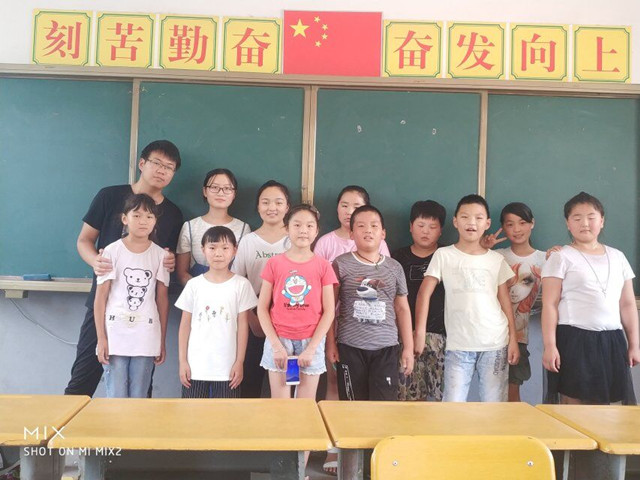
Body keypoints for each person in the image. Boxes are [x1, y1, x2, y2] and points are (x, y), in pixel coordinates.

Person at [65, 140, 183, 396]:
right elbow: (84, 240)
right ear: (141, 163)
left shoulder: (173, 213)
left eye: (169, 167)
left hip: (143, 317)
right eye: (157, 163)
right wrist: (95, 261)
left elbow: (167, 256)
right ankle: (69, 424)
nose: (162, 170)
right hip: (103, 304)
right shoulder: (109, 196)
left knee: (140, 389)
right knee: (82, 379)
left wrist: (171, 261)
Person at [314, 185, 389, 475]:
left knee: (367, 390)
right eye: (344, 205)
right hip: (335, 327)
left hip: (368, 331)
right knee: (335, 386)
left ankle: (368, 452)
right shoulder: (326, 243)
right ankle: (334, 450)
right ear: (336, 209)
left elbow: (382, 285)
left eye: (356, 206)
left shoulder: (377, 244)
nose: (349, 211)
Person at [257, 204, 337, 475]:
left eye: (309, 226)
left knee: (304, 409)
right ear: (287, 228)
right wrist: (277, 346)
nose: (303, 230)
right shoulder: (275, 264)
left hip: (310, 344)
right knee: (281, 409)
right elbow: (262, 308)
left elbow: (329, 311)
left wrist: (312, 349)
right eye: (297, 225)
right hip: (279, 342)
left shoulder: (323, 266)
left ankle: (299, 471)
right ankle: (283, 471)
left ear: (317, 231)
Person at [416, 194, 519, 402]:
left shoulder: (496, 259)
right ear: (455, 221)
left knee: (494, 406)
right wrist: (419, 332)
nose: (471, 222)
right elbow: (424, 293)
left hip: (495, 343)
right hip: (458, 345)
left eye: (478, 218)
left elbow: (505, 301)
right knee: (453, 405)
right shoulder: (444, 255)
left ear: (487, 223)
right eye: (465, 217)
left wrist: (513, 340)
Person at [542, 192, 639, 405]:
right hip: (574, 339)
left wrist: (634, 344)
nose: (584, 223)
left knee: (606, 410)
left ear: (602, 221)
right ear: (568, 224)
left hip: (612, 340)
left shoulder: (618, 256)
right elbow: (549, 304)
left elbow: (627, 304)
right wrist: (550, 345)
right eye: (577, 218)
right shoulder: (560, 257)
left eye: (591, 217)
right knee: (573, 406)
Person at [328, 205, 414, 401]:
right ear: (351, 233)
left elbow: (402, 308)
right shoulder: (341, 264)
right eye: (361, 226)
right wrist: (330, 344)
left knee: (383, 408)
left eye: (374, 226)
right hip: (350, 347)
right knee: (352, 407)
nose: (368, 230)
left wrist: (408, 348)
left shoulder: (394, 267)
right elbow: (330, 308)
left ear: (383, 233)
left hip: (386, 348)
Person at [94, 194, 169, 398]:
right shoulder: (112, 251)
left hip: (146, 334)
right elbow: (101, 297)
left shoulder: (161, 255)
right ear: (124, 219)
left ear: (155, 221)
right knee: (116, 394)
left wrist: (161, 339)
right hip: (115, 333)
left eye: (149, 216)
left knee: (139, 396)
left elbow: (162, 300)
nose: (143, 221)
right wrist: (101, 338)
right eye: (137, 215)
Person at [176, 226, 257, 398]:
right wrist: (183, 361)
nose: (218, 253)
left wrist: (239, 362)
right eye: (212, 247)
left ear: (235, 250)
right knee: (192, 412)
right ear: (203, 250)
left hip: (228, 369)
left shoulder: (241, 285)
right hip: (195, 368)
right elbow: (184, 326)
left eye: (225, 248)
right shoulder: (194, 285)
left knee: (226, 413)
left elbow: (243, 327)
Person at [231, 180, 291, 398]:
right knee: (250, 383)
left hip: (290, 321)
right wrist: (251, 319)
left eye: (278, 202)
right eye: (265, 202)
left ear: (287, 207)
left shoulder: (295, 240)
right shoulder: (248, 241)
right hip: (254, 318)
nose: (272, 207)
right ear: (257, 207)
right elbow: (237, 284)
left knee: (289, 381)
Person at [483, 202, 546, 402]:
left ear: (532, 223)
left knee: (512, 392)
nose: (517, 229)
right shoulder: (496, 256)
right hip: (491, 334)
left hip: (519, 337)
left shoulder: (545, 259)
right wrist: (482, 248)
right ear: (502, 227)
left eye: (522, 223)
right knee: (490, 393)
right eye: (510, 224)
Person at [392, 200, 447, 401]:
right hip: (405, 336)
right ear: (410, 227)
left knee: (443, 398)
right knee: (409, 397)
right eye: (421, 225)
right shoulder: (397, 257)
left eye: (432, 227)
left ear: (441, 231)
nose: (426, 231)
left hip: (442, 337)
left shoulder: (448, 255)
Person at [176, 168, 250, 285]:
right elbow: (182, 273)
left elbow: (244, 271)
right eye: (214, 187)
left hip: (232, 292)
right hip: (196, 293)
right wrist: (203, 291)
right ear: (205, 191)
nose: (220, 193)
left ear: (234, 194)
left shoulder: (243, 228)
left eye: (227, 188)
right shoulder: (190, 227)